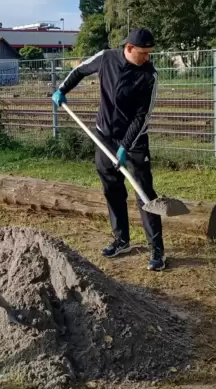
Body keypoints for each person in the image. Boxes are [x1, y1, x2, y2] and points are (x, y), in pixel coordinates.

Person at [52, 27, 164, 271]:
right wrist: (62, 89)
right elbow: (79, 70)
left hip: (133, 142)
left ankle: (157, 251)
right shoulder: (106, 57)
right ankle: (121, 240)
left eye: (149, 53)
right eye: (143, 53)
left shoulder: (149, 76)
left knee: (144, 193)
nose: (147, 57)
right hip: (104, 137)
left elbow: (142, 117)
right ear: (129, 48)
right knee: (112, 189)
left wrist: (125, 147)